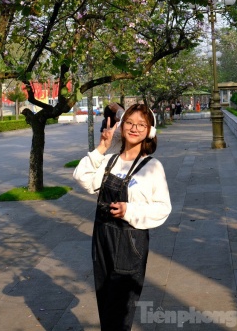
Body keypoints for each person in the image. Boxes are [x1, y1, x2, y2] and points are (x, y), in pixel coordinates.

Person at [73, 104, 171, 331]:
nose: (134, 128)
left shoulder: (153, 167)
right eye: (130, 122)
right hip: (102, 239)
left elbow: (163, 208)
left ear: (150, 131)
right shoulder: (110, 161)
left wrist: (130, 211)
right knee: (106, 304)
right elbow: (83, 178)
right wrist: (101, 148)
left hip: (130, 243)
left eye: (141, 124)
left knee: (119, 314)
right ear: (122, 126)